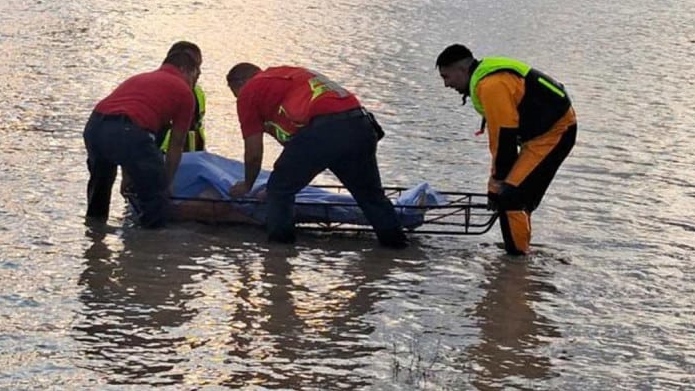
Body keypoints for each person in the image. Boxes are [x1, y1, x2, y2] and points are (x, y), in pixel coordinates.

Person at [225, 62, 408, 248]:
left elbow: (254, 153)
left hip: (324, 129)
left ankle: (278, 257)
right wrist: (286, 180)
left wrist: (249, 185)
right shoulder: (288, 74)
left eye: (236, 95)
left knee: (280, 191)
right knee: (371, 197)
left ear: (240, 83)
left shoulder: (249, 91)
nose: (238, 100)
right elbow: (297, 146)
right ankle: (397, 249)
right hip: (361, 124)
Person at [435, 44, 577, 255]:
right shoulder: (485, 79)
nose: (447, 84)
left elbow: (504, 140)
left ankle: (517, 259)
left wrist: (496, 185)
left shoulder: (491, 86)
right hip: (538, 136)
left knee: (511, 197)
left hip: (555, 133)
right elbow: (502, 141)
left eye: (447, 77)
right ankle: (515, 267)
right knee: (513, 195)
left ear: (462, 70)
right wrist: (496, 186)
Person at [83, 49, 199, 228]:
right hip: (129, 130)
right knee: (155, 201)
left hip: (95, 126)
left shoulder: (139, 78)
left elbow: (127, 132)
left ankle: (94, 241)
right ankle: (148, 250)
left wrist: (128, 178)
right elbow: (176, 144)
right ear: (185, 69)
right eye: (196, 75)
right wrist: (165, 183)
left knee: (100, 189)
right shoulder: (185, 92)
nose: (195, 81)